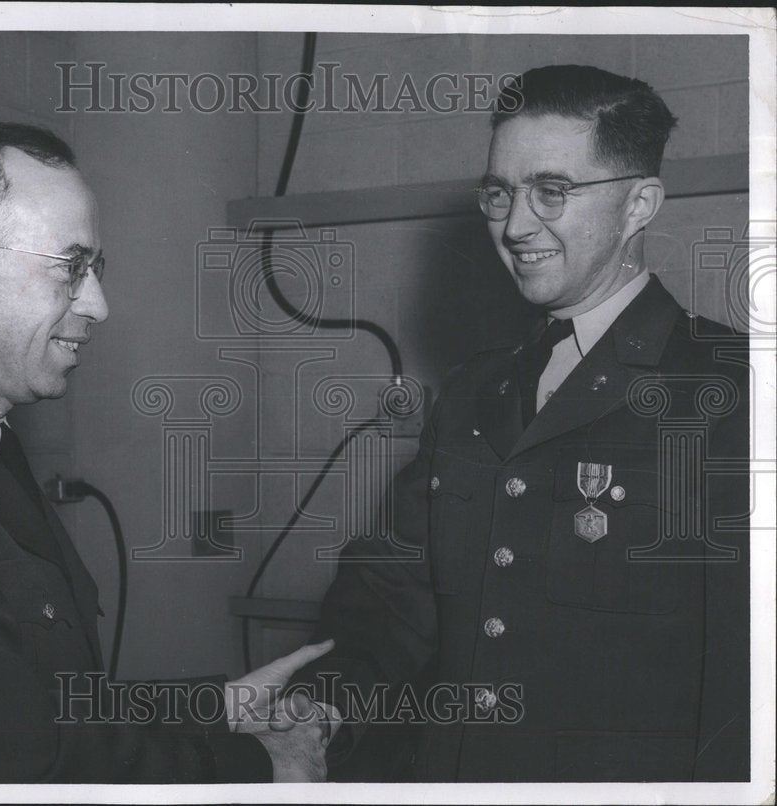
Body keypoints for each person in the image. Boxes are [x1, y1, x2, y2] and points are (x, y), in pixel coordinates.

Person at [0, 122, 337, 783]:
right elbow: (30, 765)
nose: (99, 305)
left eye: (95, 268)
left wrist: (212, 707)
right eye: (70, 267)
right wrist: (263, 766)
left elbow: (29, 698)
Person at [293, 64, 749, 782]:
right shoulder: (478, 389)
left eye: (552, 191)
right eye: (500, 192)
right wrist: (320, 709)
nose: (513, 224)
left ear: (639, 204)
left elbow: (744, 692)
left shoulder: (731, 389)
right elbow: (391, 596)